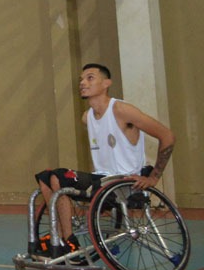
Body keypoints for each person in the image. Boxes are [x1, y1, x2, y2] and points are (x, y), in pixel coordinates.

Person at [34, 63, 175, 252]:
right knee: (46, 178)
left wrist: (153, 177)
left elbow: (167, 136)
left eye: (90, 78)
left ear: (106, 83)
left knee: (57, 177)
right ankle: (58, 236)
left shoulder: (122, 110)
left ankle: (69, 242)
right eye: (81, 79)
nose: (83, 83)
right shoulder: (87, 117)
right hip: (102, 180)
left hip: (123, 183)